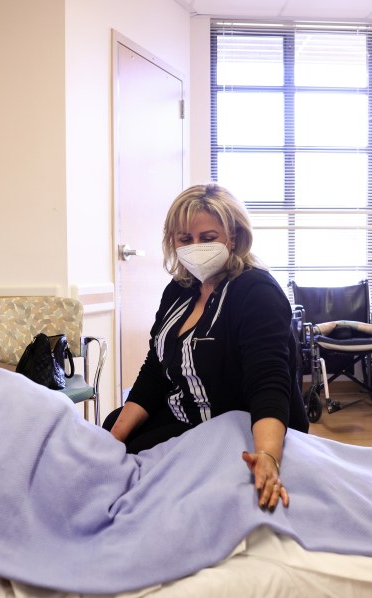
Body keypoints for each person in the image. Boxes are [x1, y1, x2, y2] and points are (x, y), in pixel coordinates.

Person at [103, 183, 309, 511]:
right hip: (187, 416)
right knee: (116, 436)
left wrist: (267, 456)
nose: (195, 246)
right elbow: (155, 370)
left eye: (208, 237)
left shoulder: (257, 292)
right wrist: (112, 440)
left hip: (240, 424)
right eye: (185, 239)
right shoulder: (178, 290)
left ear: (233, 236)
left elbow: (268, 381)